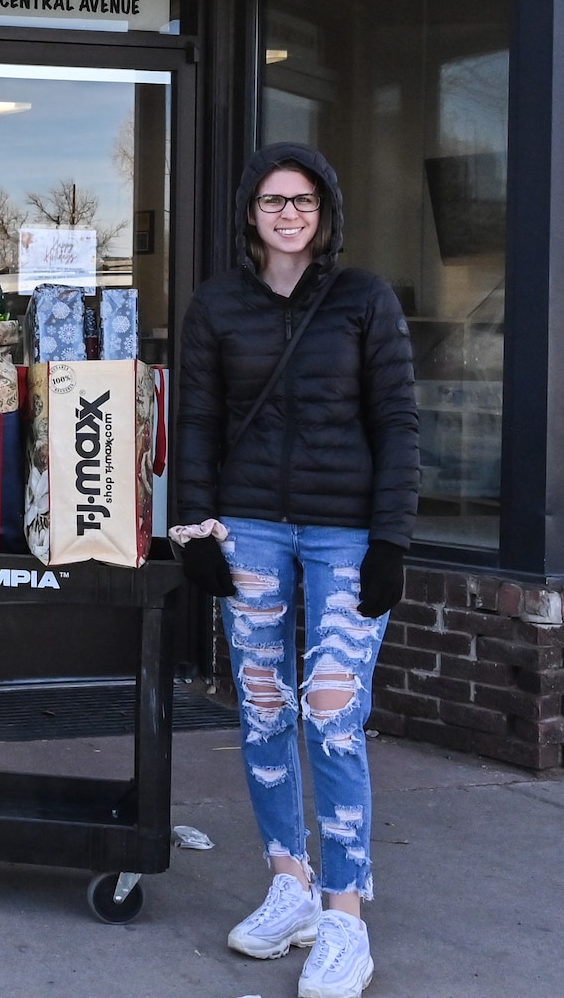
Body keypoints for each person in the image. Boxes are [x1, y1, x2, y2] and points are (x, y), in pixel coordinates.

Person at [176, 143, 418, 998]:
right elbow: (197, 420)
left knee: (332, 709)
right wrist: (196, 527)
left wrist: (390, 539)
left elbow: (397, 422)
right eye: (274, 200)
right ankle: (291, 882)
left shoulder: (363, 300)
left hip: (347, 532)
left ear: (325, 212)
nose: (289, 213)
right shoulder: (218, 305)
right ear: (251, 212)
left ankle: (346, 918)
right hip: (246, 528)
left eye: (305, 200)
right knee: (265, 702)